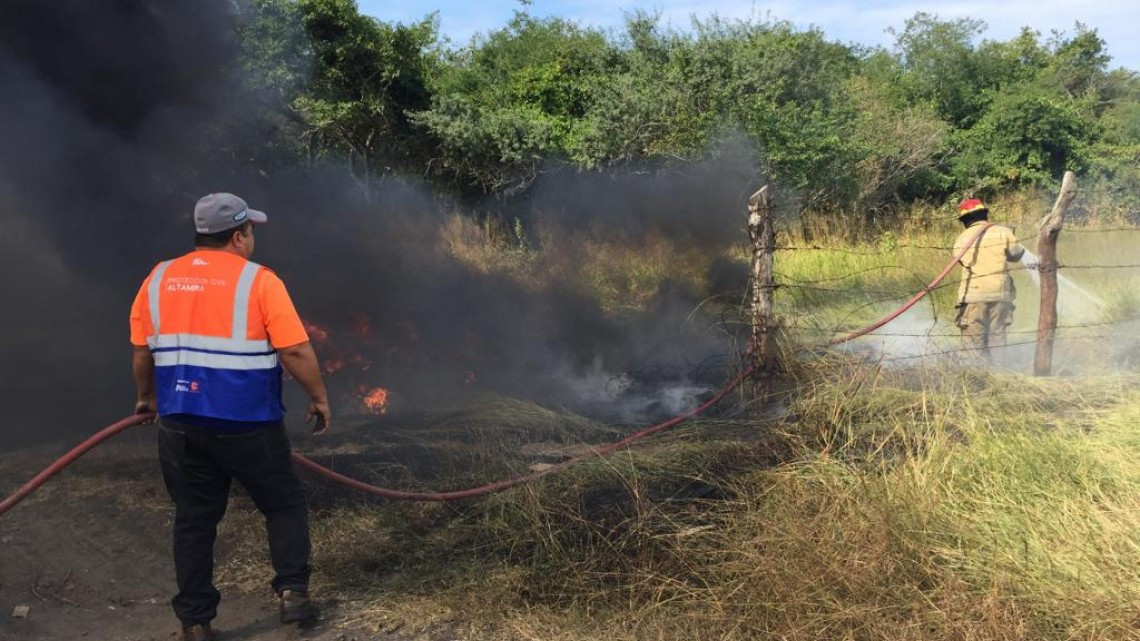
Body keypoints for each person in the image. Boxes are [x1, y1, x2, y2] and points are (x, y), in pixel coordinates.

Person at [129, 193, 332, 641]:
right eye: (252, 231)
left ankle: (196, 622)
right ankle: (294, 595)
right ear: (238, 236)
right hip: (249, 423)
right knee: (283, 504)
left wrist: (147, 398)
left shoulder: (159, 277)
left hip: (181, 423)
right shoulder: (259, 281)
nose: (253, 238)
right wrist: (318, 397)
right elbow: (295, 349)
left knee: (194, 518)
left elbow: (142, 349)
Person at [952, 198, 1026, 360]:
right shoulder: (1003, 232)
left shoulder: (962, 239)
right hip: (1000, 296)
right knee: (997, 338)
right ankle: (1000, 375)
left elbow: (961, 260)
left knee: (973, 342)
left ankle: (974, 377)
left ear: (964, 220)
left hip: (973, 297)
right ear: (984, 214)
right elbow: (1016, 254)